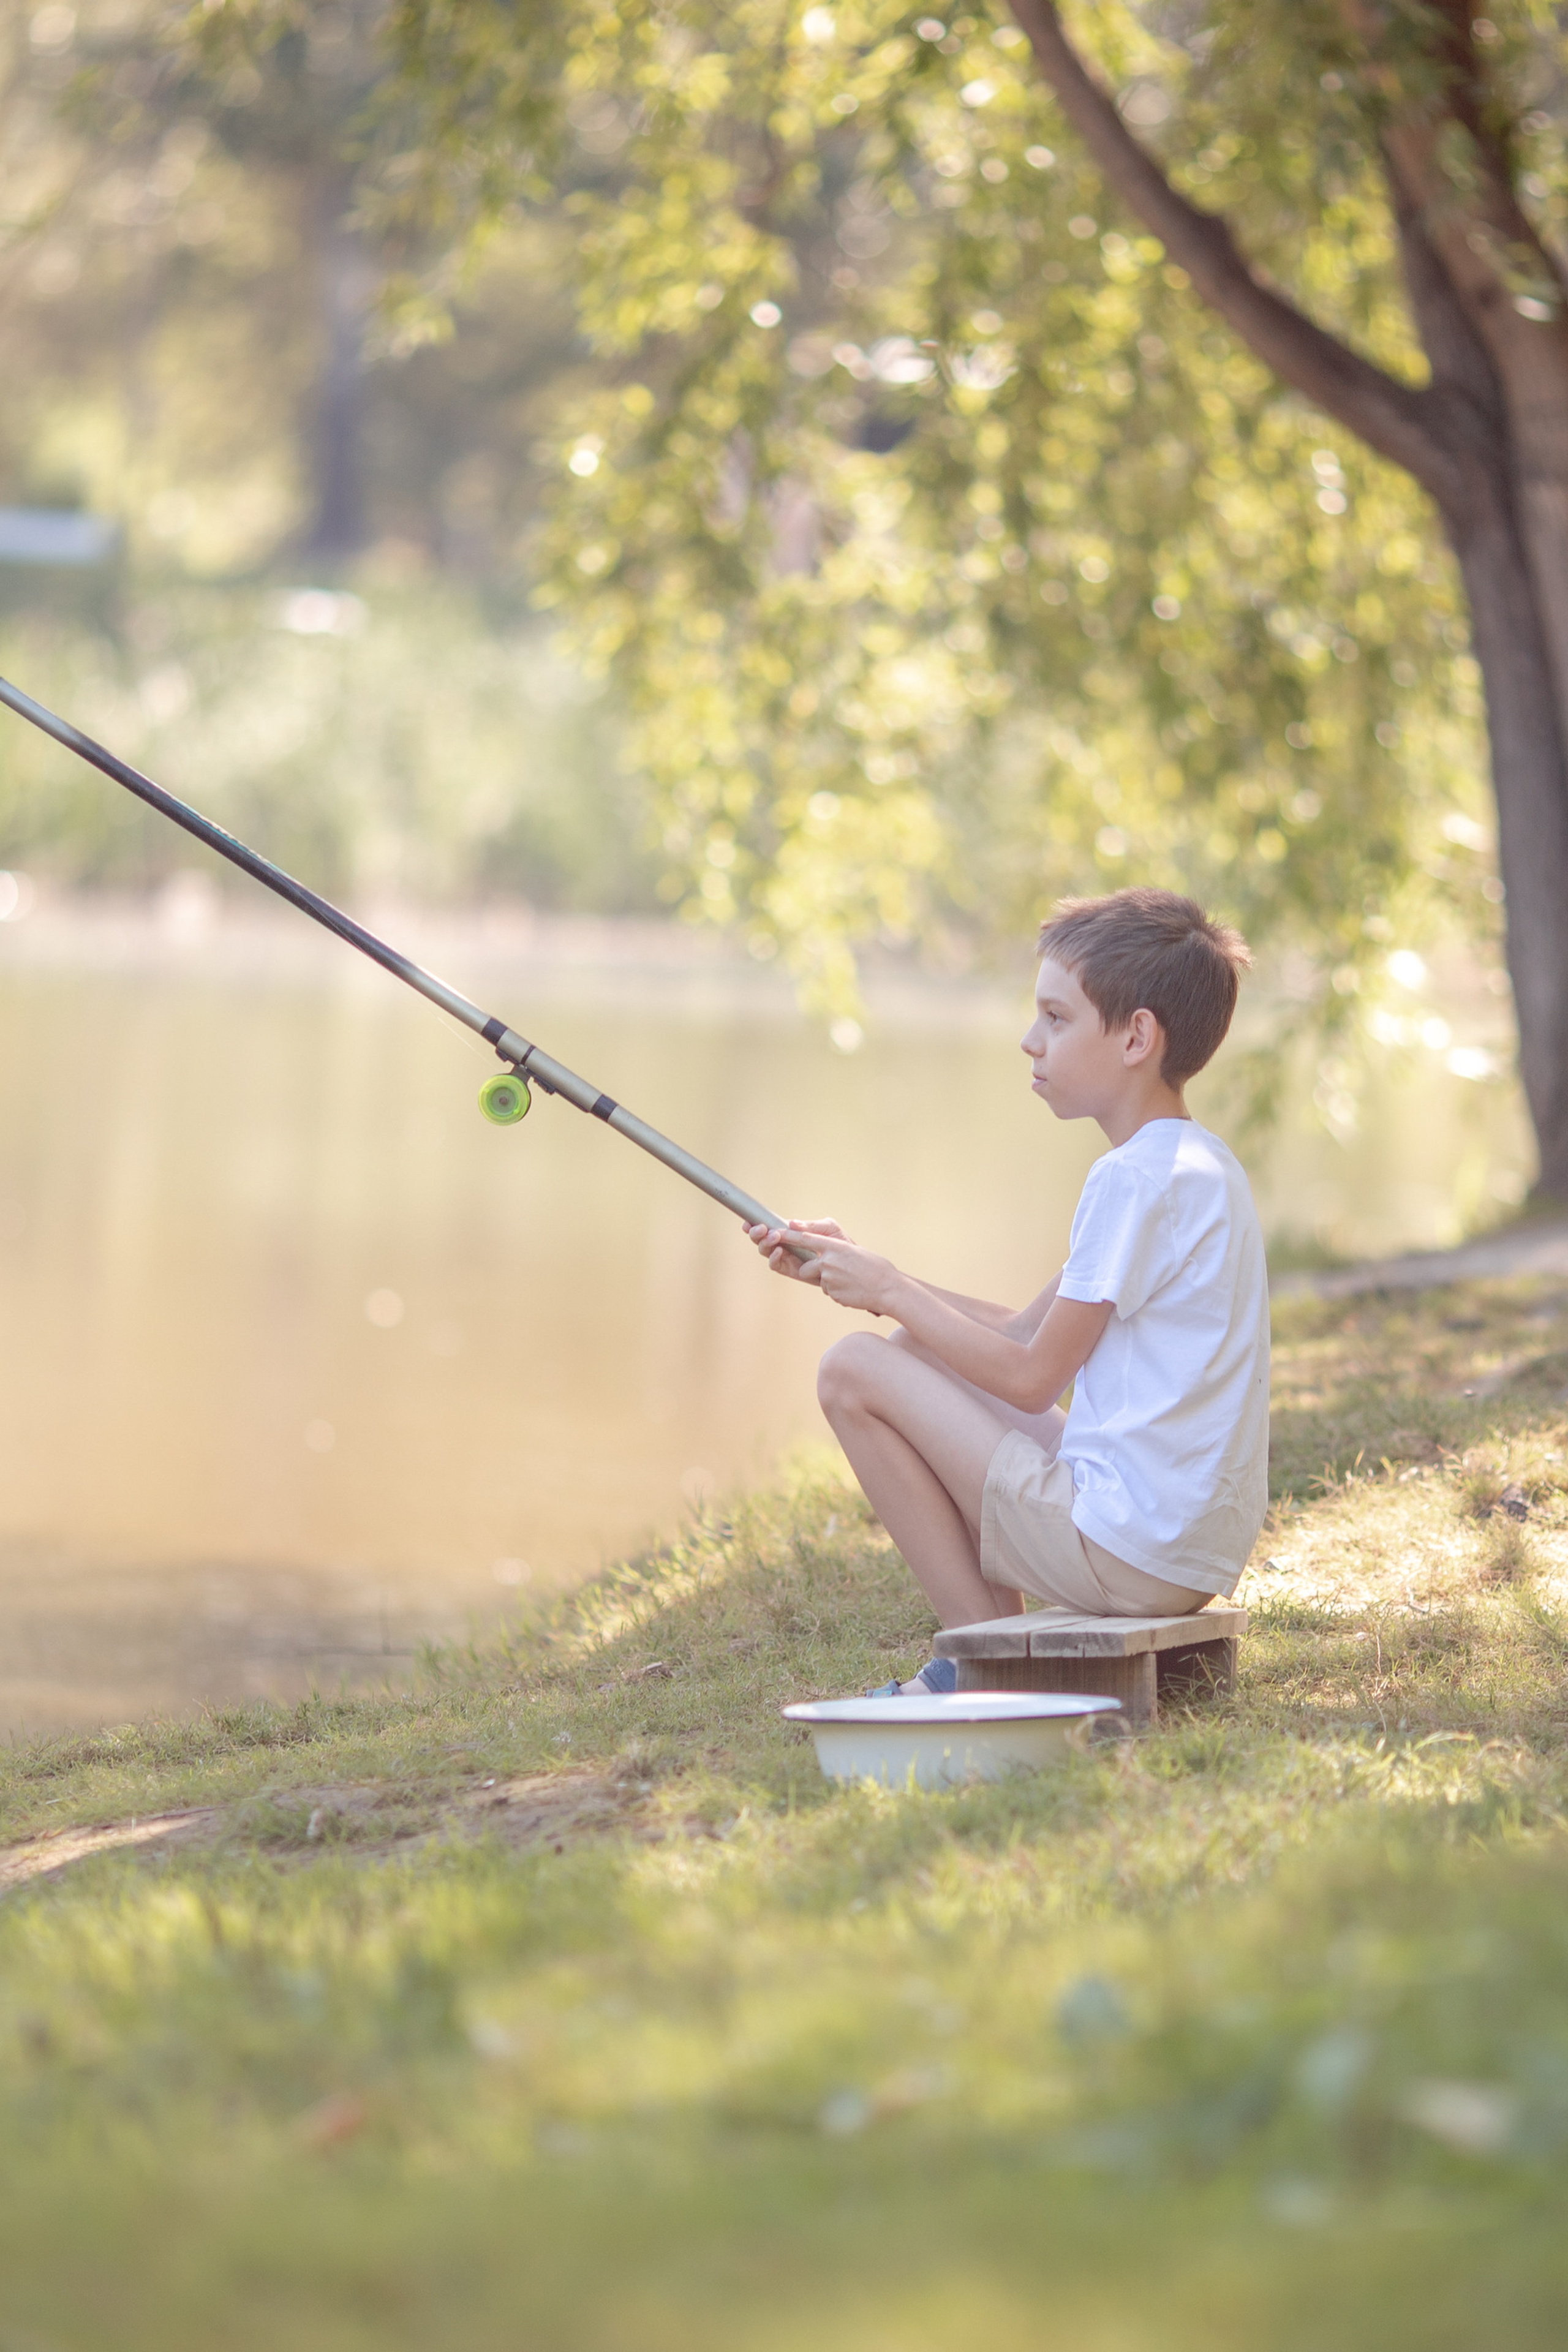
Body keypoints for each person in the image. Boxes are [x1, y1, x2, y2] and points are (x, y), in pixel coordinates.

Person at [747, 886, 1269, 1697]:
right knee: (915, 1346)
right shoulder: (1197, 1164)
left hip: (1127, 1552)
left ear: (1136, 1037)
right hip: (1177, 1546)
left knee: (852, 1370)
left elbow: (1031, 1377)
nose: (1032, 1043)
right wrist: (862, 1273)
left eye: (1057, 1020)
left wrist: (884, 1290)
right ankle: (992, 1654)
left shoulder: (1128, 1179)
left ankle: (981, 1665)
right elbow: (1028, 1332)